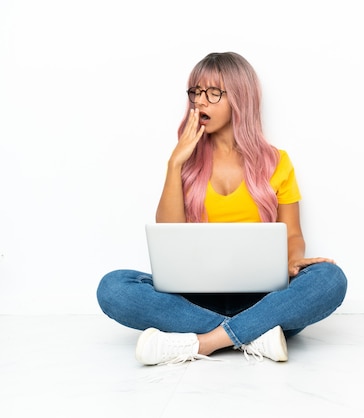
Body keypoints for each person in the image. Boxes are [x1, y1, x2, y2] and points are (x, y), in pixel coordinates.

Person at [96, 51, 348, 366]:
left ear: (240, 98)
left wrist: (293, 261)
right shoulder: (185, 165)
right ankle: (254, 334)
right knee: (114, 287)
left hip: (263, 297)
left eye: (213, 93)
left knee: (330, 278)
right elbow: (169, 238)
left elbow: (294, 235)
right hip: (195, 298)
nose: (199, 102)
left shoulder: (277, 162)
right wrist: (175, 163)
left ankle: (204, 342)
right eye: (195, 93)